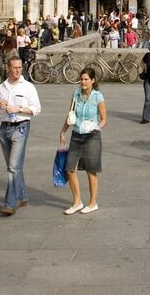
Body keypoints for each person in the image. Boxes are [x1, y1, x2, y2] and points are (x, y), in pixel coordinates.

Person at [0, 57, 41, 216]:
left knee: (13, 167)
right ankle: (22, 196)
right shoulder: (2, 87)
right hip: (4, 128)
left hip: (20, 127)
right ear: (8, 68)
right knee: (14, 167)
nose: (18, 70)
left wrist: (18, 108)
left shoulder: (28, 87)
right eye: (15, 67)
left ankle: (10, 203)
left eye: (20, 67)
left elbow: (36, 109)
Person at [61, 67, 106, 215]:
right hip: (77, 134)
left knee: (91, 169)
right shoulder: (76, 94)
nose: (83, 82)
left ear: (93, 81)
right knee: (69, 168)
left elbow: (104, 119)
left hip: (92, 135)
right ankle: (77, 202)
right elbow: (70, 115)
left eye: (86, 79)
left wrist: (96, 127)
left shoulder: (98, 96)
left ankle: (93, 203)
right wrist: (63, 131)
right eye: (82, 79)